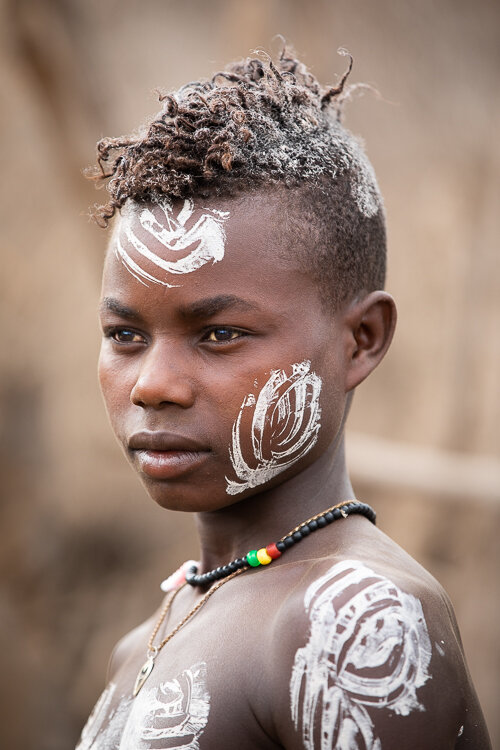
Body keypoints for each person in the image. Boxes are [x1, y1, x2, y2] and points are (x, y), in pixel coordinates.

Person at [77, 47, 491, 749]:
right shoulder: (149, 638)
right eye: (125, 333)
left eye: (220, 333)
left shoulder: (354, 624)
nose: (152, 384)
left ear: (360, 339)